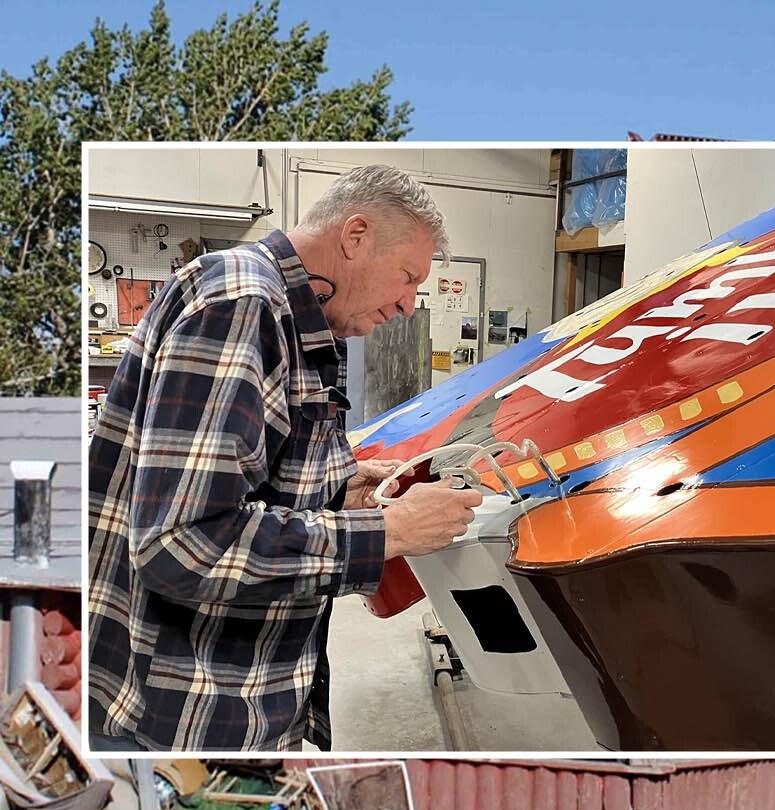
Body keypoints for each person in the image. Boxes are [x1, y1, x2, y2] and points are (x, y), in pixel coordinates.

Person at [86, 164, 483, 752]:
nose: (407, 305)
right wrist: (386, 531)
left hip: (233, 702)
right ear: (355, 235)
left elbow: (247, 472)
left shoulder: (294, 320)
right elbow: (182, 544)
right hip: (182, 720)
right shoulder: (244, 303)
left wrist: (340, 487)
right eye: (406, 277)